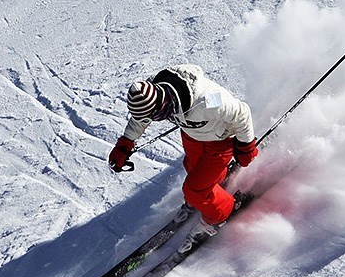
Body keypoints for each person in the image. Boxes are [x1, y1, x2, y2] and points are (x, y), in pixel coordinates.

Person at [108, 63, 258, 247]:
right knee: (193, 169)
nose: (153, 121)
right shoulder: (152, 90)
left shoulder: (207, 101)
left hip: (220, 141)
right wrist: (126, 143)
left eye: (155, 116)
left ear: (162, 105)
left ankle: (220, 214)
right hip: (192, 135)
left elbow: (242, 112)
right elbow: (142, 117)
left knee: (194, 189)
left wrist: (246, 146)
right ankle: (213, 187)